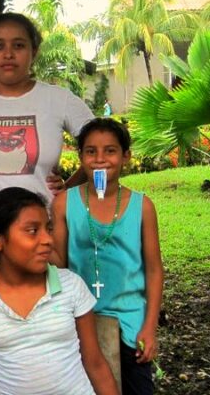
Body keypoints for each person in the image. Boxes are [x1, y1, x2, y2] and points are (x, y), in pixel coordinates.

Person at [0, 12, 93, 264]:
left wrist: (69, 189)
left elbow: (105, 146)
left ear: (34, 51)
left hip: (40, 237)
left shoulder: (58, 100)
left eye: (18, 45)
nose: (8, 54)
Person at [0, 187, 119, 395]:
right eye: (33, 231)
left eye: (49, 229)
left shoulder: (70, 285)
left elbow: (95, 364)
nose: (48, 240)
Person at [51, 117, 164, 395]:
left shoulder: (142, 206)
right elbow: (59, 264)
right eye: (91, 151)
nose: (100, 159)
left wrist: (150, 327)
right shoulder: (65, 203)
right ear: (80, 157)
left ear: (126, 156)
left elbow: (153, 270)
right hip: (79, 319)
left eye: (110, 151)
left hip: (130, 321)